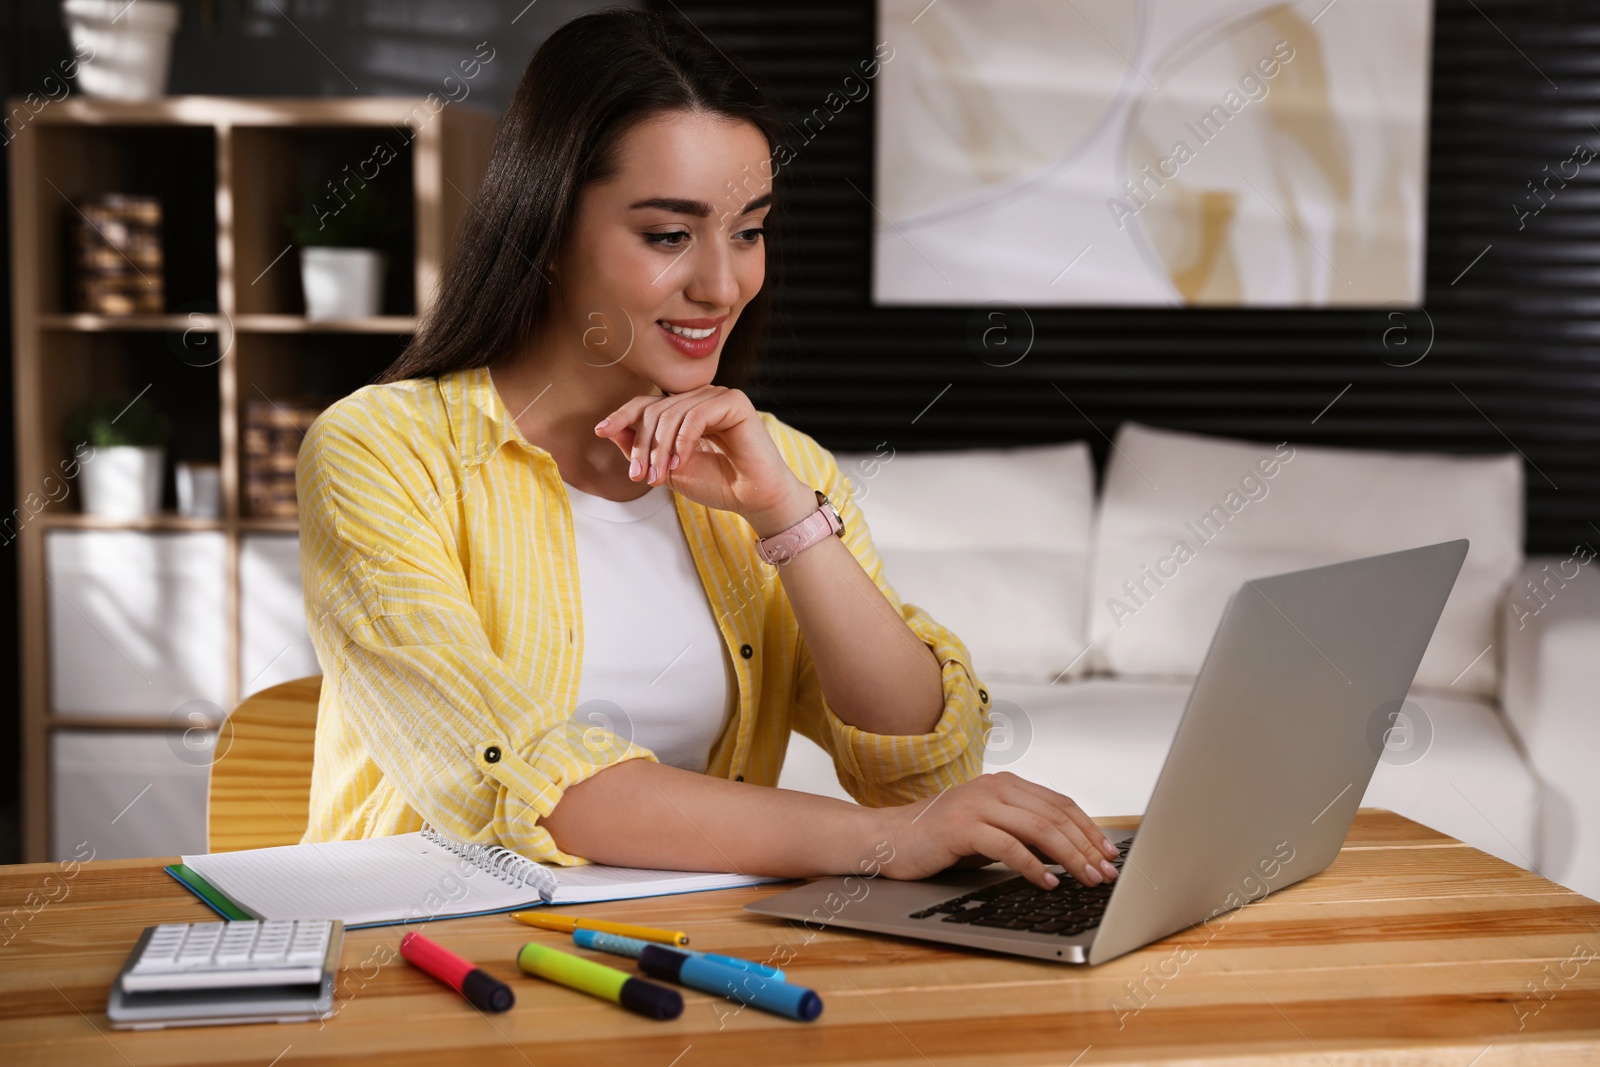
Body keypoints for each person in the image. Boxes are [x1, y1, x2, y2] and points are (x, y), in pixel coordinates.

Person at [295, 8, 1121, 892]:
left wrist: (786, 515)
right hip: (427, 957)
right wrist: (875, 839)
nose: (722, 284)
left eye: (748, 229)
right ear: (543, 231)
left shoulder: (777, 464)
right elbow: (520, 777)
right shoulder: (378, 452)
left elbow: (921, 772)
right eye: (667, 234)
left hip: (687, 958)